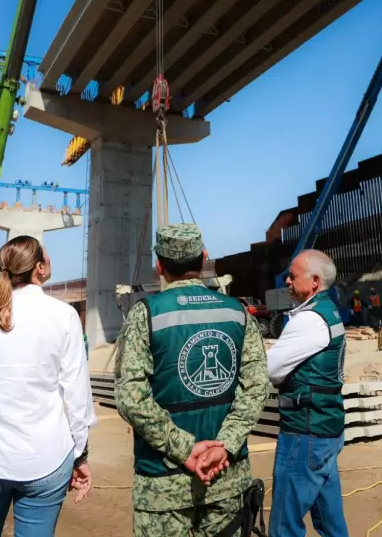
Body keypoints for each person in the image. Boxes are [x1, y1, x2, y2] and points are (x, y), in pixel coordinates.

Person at [116, 223, 270, 536]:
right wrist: (224, 446)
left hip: (162, 485)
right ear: (204, 258)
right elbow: (256, 389)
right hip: (225, 476)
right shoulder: (238, 313)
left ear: (159, 265)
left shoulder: (146, 314)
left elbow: (132, 399)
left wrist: (184, 449)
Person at [0, 235, 96, 537]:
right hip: (44, 460)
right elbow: (77, 397)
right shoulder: (63, 316)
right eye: (47, 257)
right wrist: (79, 455)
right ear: (39, 268)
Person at [266, 250, 348, 537]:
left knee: (284, 525)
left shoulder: (308, 320)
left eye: (293, 275)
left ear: (314, 281)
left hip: (305, 431)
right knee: (330, 521)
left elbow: (271, 369)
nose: (286, 280)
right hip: (327, 429)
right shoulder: (329, 311)